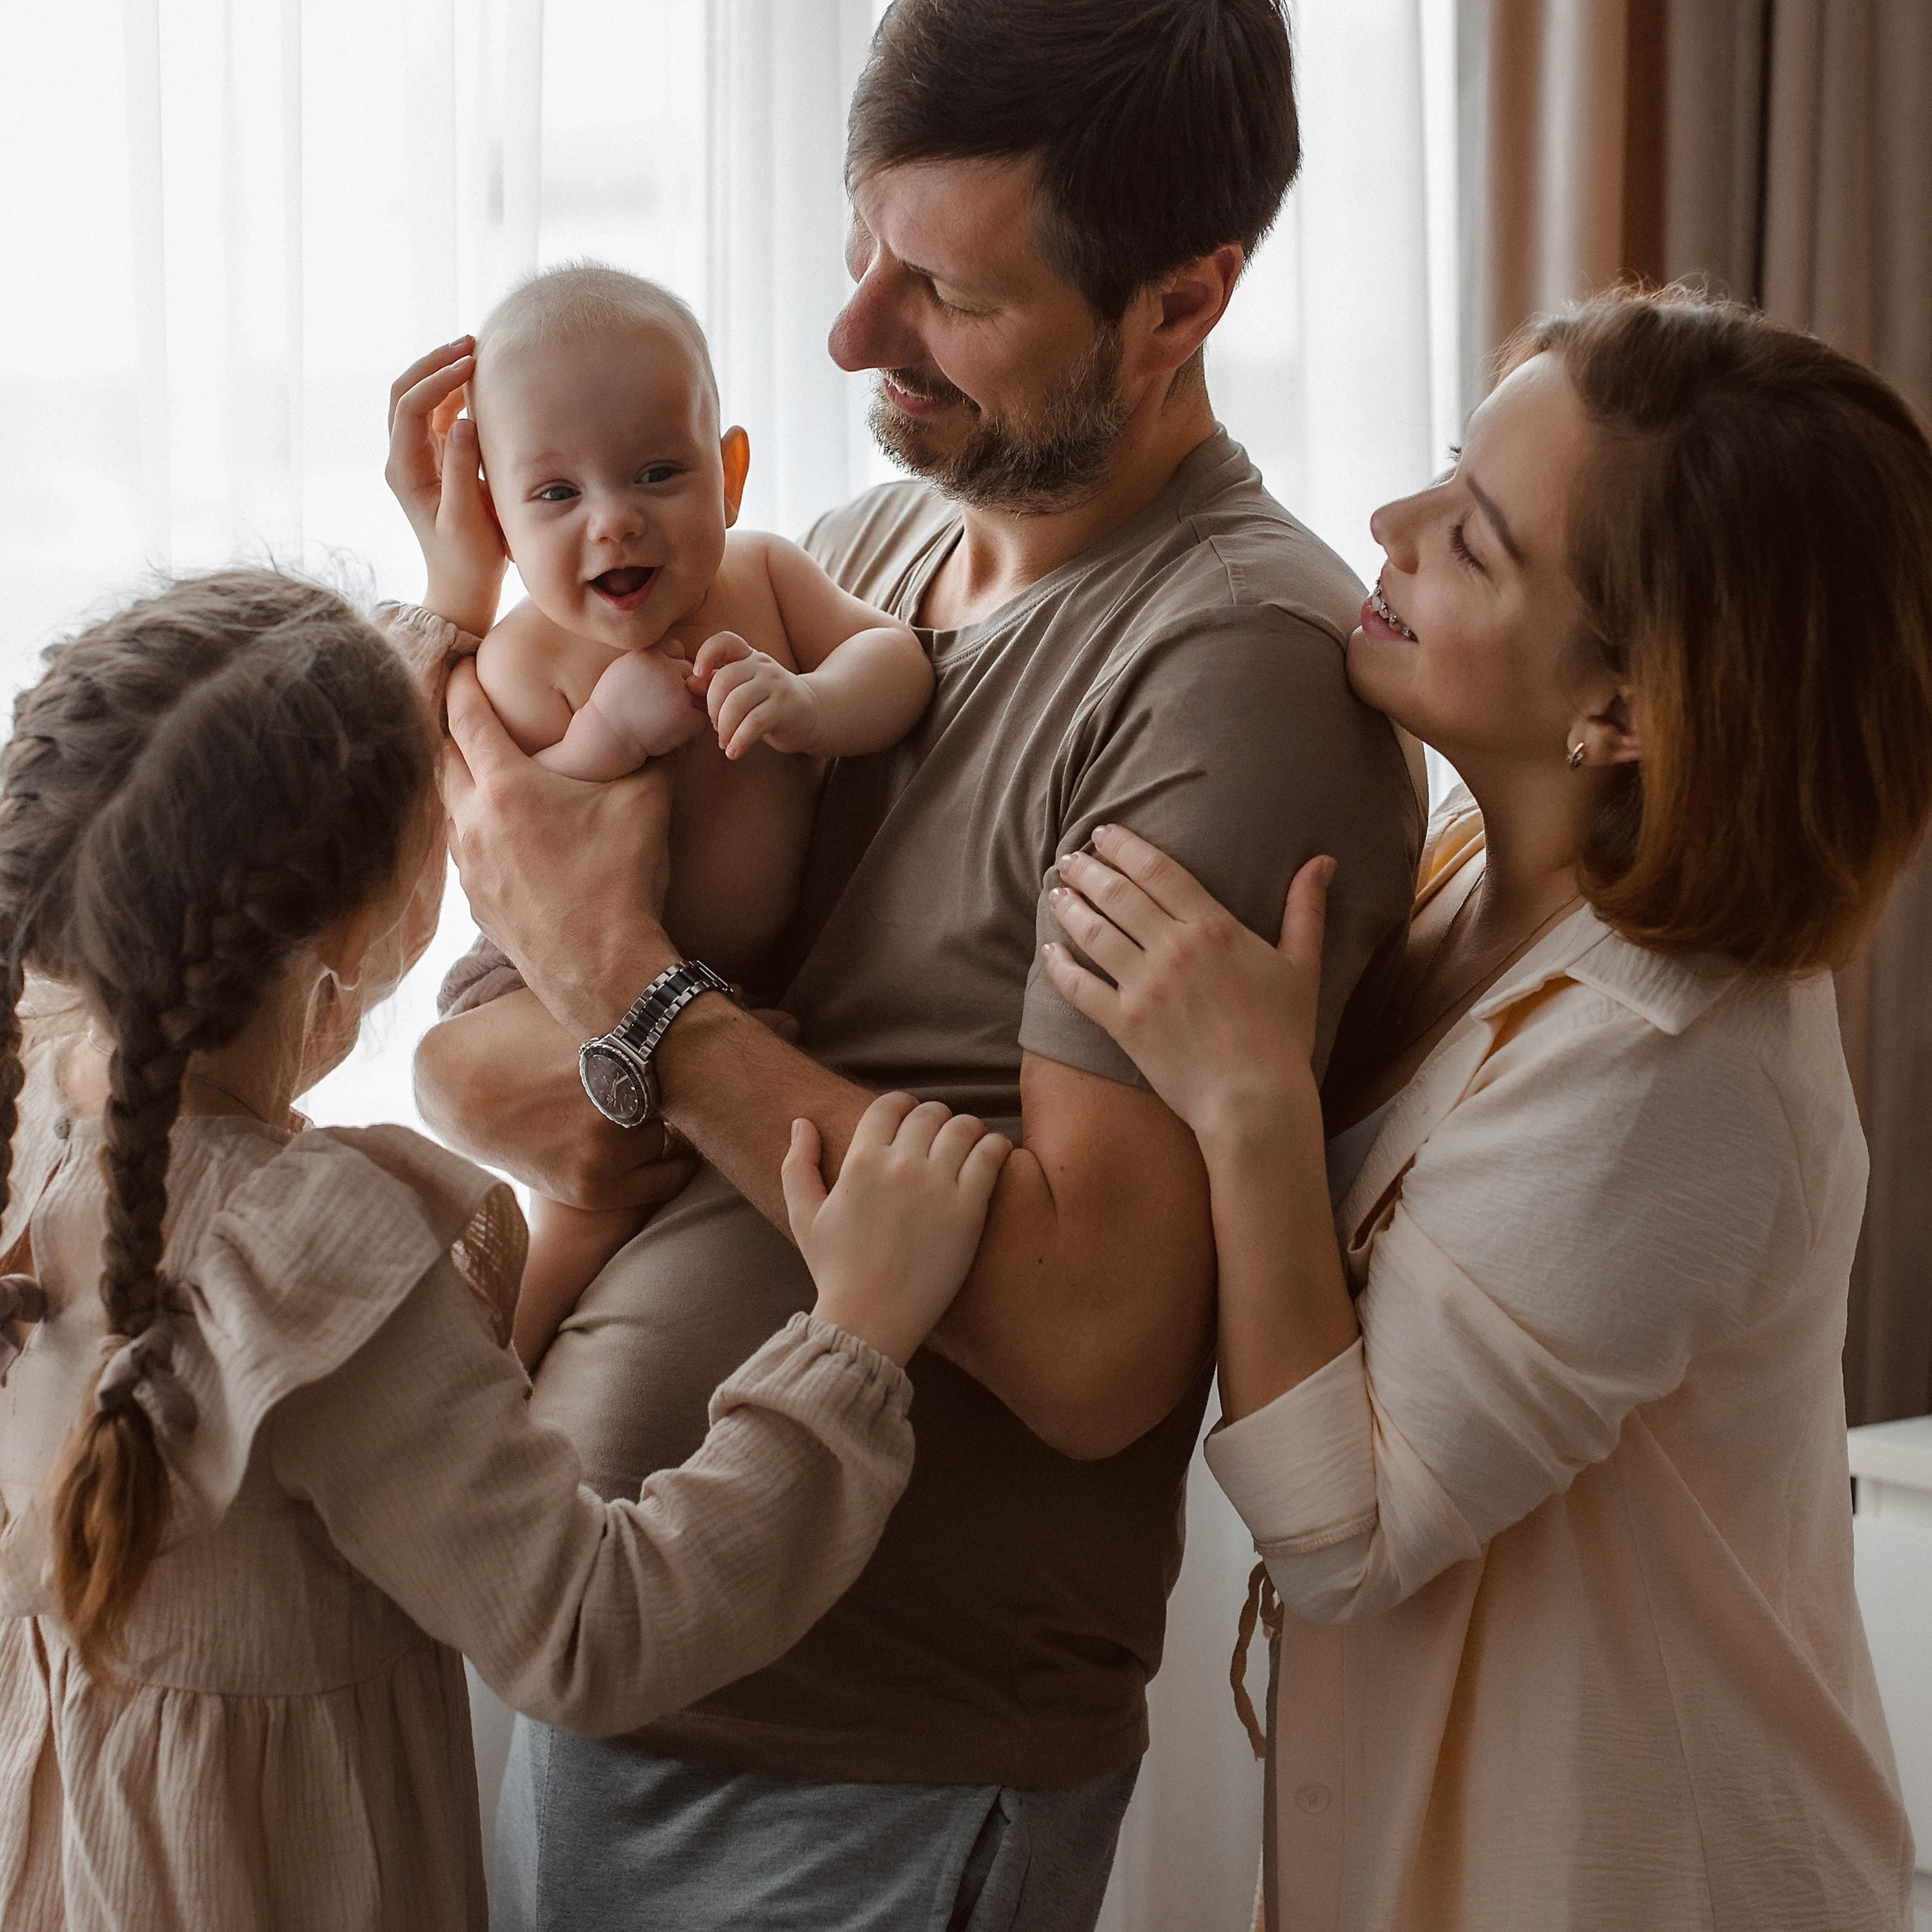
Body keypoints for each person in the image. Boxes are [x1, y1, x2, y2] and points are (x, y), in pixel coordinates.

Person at [387, 2, 1419, 1924]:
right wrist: (602, 1021)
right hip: (624, 1683)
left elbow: (1094, 1335)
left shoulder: (1229, 666)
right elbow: (482, 1058)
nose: (855, 331)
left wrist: (626, 995)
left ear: (1182, 300)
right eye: (859, 243)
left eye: (939, 287)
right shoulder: (862, 548)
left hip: (867, 1779)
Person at [1040, 287, 1932, 1931]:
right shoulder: (1469, 881)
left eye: (1472, 538)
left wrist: (1247, 1109)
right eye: (1447, 468)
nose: (1384, 525)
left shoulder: (1673, 1064)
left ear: (1625, 712)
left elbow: (1340, 1533)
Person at [0, 570, 1009, 1932]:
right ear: (345, 944)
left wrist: (451, 594)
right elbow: (594, 1628)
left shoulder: (42, 1133)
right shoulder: (304, 1255)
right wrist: (859, 1330)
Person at [436, 263, 932, 1366]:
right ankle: (502, 1375)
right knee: (585, 1211)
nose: (615, 522)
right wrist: (602, 738)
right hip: (545, 986)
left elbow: (894, 659)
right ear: (499, 522)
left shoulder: (767, 579)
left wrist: (811, 702)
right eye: (557, 495)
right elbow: (507, 834)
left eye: (659, 472)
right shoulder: (525, 657)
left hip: (738, 996)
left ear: (732, 473)